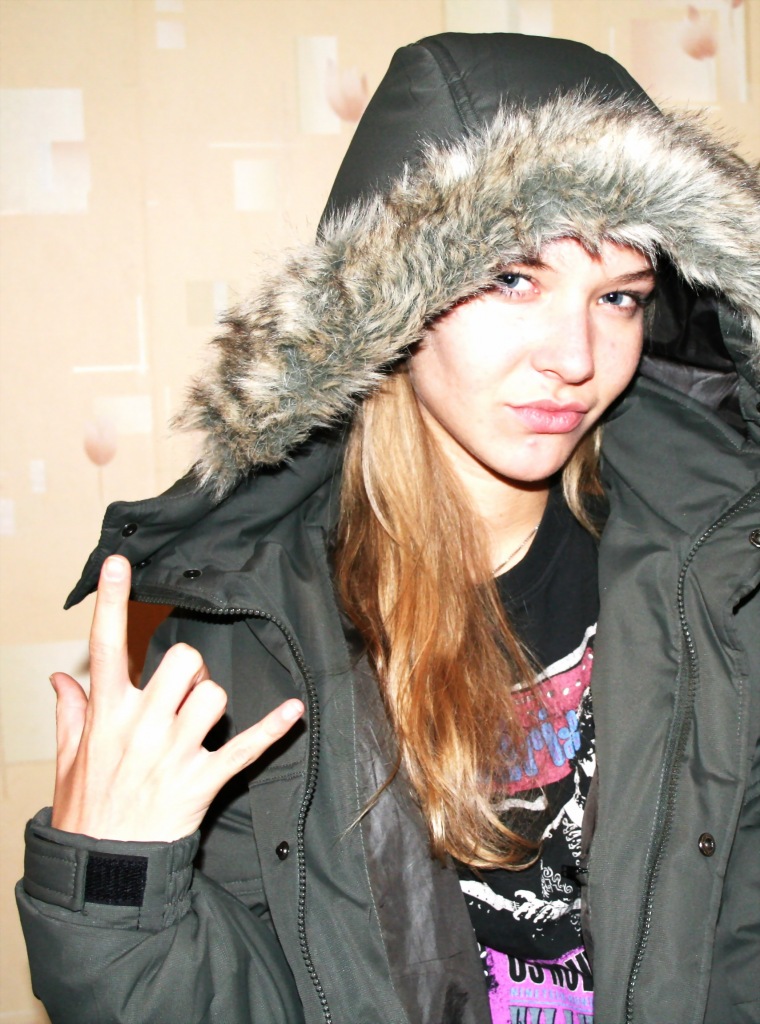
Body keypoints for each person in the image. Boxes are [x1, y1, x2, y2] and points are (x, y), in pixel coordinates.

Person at [15, 32, 760, 1024]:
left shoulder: (724, 569)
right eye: (513, 280)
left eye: (617, 295)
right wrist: (111, 883)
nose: (576, 356)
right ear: (389, 297)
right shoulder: (247, 633)